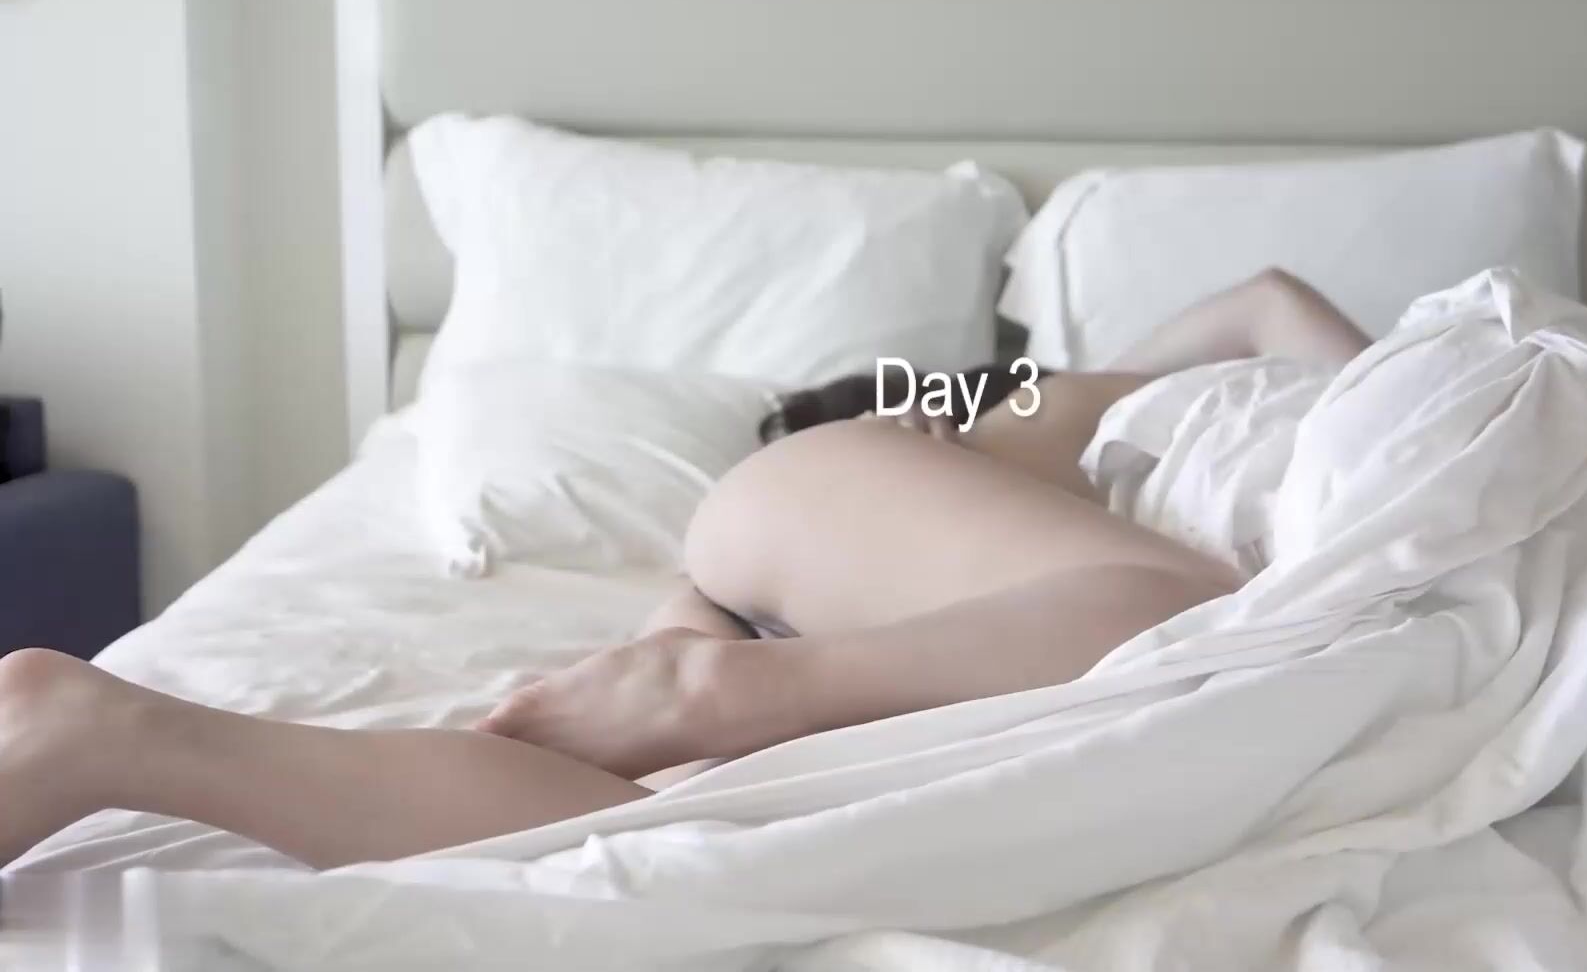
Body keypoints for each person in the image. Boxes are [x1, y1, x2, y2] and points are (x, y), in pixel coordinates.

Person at [0, 269, 1369, 870]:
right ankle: (732, 683)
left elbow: (1261, 298)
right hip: (833, 513)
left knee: (637, 830)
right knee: (1212, 630)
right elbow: (1268, 302)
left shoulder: (1068, 413)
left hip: (842, 580)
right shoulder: (998, 404)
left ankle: (106, 738)